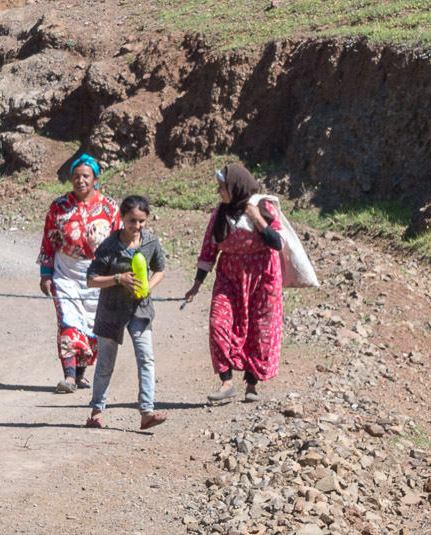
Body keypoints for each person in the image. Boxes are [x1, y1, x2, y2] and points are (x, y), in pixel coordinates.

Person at [183, 163, 286, 403]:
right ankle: (226, 381)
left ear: (235, 186)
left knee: (260, 330)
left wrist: (257, 219)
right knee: (219, 323)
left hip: (263, 278)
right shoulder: (220, 214)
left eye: (222, 187)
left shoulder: (263, 207)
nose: (219, 192)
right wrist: (197, 284)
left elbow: (278, 242)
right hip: (229, 277)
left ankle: (251, 385)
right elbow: (208, 250)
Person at [83, 194, 169, 431]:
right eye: (132, 221)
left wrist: (147, 288)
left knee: (146, 359)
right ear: (122, 218)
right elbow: (91, 280)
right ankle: (96, 413)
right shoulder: (109, 246)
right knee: (105, 364)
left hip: (140, 310)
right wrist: (118, 278)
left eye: (141, 221)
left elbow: (159, 270)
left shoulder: (150, 242)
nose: (137, 226)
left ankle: (147, 412)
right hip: (111, 311)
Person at [37, 153, 119, 393]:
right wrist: (45, 274)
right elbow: (48, 242)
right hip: (66, 272)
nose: (80, 180)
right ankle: (69, 376)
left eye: (86, 176)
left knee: (93, 326)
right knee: (68, 321)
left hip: (98, 274)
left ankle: (81, 374)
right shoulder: (58, 207)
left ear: (95, 179)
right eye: (75, 176)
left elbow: (120, 242)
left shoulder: (110, 208)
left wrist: (119, 275)